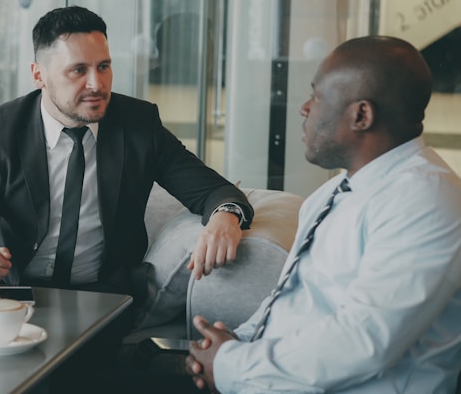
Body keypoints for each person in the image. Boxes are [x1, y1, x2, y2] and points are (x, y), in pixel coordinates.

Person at [185, 35, 461, 393]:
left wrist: (231, 364)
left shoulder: (427, 202)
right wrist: (235, 342)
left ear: (361, 115)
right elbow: (292, 298)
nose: (304, 108)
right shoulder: (331, 192)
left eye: (317, 97)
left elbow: (365, 342)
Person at [0, 5, 252, 297]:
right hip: (17, 295)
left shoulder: (139, 125)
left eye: (104, 67)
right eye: (78, 70)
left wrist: (225, 216)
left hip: (105, 297)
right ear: (38, 75)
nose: (97, 84)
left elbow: (213, 191)